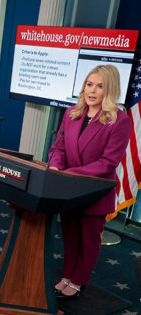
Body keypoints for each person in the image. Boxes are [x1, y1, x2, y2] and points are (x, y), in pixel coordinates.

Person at [48, 65, 132, 298]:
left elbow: (108, 162)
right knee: (70, 236)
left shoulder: (119, 121)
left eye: (100, 86)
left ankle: (79, 281)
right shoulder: (71, 113)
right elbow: (59, 147)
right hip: (68, 188)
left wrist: (71, 173)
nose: (92, 91)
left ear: (110, 89)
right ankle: (67, 275)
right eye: (89, 84)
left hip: (95, 191)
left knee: (88, 241)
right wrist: (55, 166)